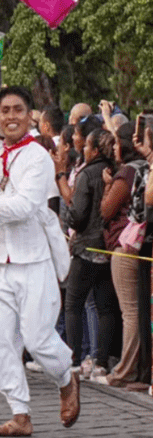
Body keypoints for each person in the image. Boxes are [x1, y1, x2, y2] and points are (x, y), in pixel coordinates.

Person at [0, 79, 79, 436]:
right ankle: (20, 414)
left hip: (34, 261)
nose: (10, 117)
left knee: (38, 340)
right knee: (4, 341)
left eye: (18, 111)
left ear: (30, 118)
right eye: (5, 111)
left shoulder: (39, 157)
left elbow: (24, 207)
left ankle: (66, 378)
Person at [62, 128, 119, 380]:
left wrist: (68, 214)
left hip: (85, 246)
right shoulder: (116, 171)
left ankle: (73, 360)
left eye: (86, 145)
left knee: (73, 304)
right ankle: (101, 361)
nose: (82, 149)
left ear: (94, 150)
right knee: (105, 307)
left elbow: (79, 213)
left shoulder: (86, 174)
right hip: (107, 248)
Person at [96, 123, 147, 386]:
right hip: (138, 246)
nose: (113, 148)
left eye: (116, 142)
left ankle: (125, 370)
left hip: (124, 245)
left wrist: (107, 186)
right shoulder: (144, 168)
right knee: (135, 310)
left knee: (130, 312)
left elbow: (106, 210)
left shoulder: (127, 172)